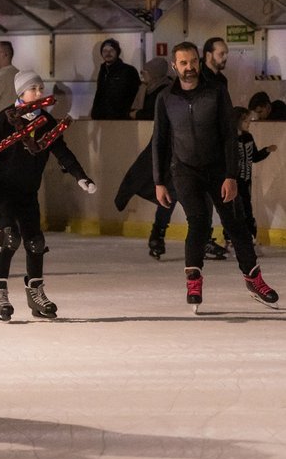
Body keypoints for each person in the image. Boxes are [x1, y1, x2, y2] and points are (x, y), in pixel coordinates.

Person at [152, 42, 278, 310]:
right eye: (183, 63)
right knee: (198, 222)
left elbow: (228, 137)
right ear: (175, 66)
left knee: (236, 225)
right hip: (185, 171)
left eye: (193, 61)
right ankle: (194, 279)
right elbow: (160, 142)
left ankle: (253, 279)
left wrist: (231, 175)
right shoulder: (165, 98)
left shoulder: (216, 92)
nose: (189, 68)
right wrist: (159, 181)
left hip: (218, 170)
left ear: (199, 61)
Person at [0, 71, 96, 321]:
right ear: (21, 93)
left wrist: (80, 176)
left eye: (41, 89)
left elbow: (62, 151)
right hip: (1, 191)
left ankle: (36, 293)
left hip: (27, 191)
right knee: (10, 238)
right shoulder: (2, 121)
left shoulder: (46, 122)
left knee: (35, 242)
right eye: (34, 89)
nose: (39, 93)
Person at [115, 57, 177, 259]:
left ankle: (204, 238)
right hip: (171, 153)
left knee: (195, 198)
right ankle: (157, 235)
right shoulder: (162, 93)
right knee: (170, 195)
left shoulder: (168, 91)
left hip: (186, 154)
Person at [225, 106, 277, 248]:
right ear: (237, 121)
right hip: (233, 181)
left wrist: (266, 150)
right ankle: (229, 237)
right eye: (246, 121)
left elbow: (254, 157)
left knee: (246, 208)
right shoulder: (229, 139)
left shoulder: (248, 137)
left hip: (246, 181)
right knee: (232, 209)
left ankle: (250, 234)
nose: (249, 124)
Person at [90, 38, 140, 120]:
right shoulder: (102, 71)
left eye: (111, 50)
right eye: (105, 51)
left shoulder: (128, 71)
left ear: (117, 52)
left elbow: (136, 95)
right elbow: (99, 94)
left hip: (123, 121)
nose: (108, 53)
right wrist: (95, 114)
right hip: (103, 121)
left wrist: (126, 114)